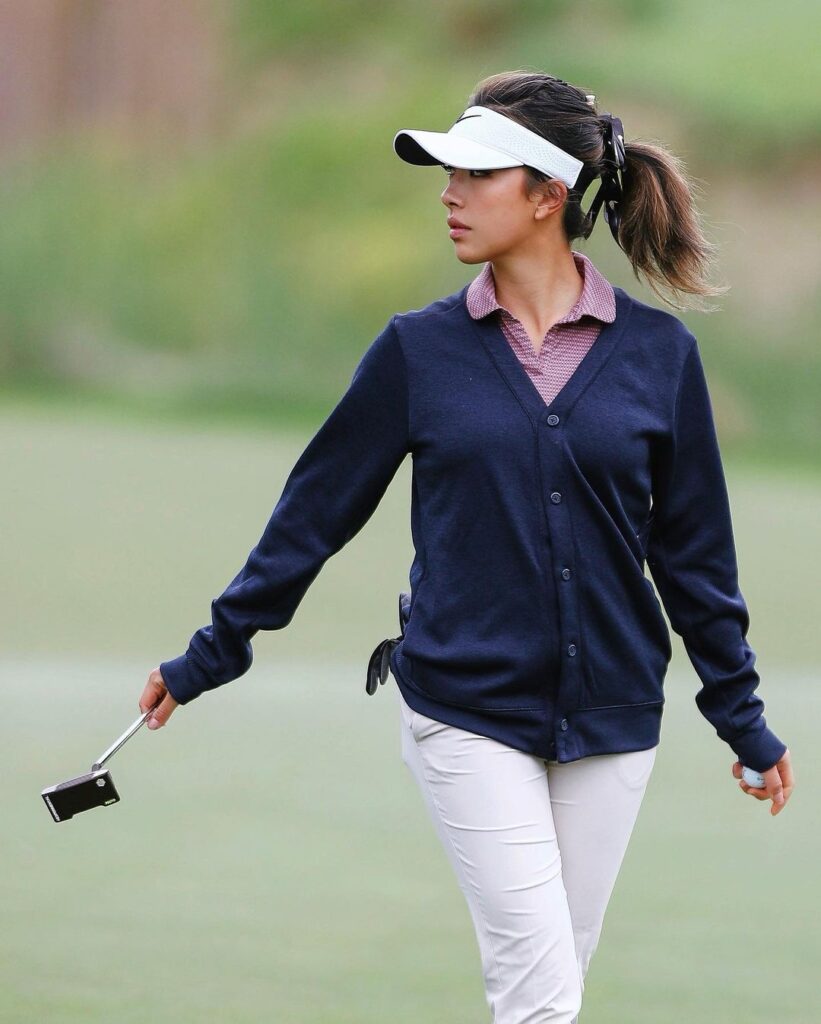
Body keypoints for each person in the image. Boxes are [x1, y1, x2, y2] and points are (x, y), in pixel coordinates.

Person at [139, 70, 795, 1023]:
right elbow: (312, 516)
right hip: (463, 707)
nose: (449, 194)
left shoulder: (660, 358)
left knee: (553, 985)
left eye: (476, 174)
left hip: (614, 717)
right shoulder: (418, 352)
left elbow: (694, 559)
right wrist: (212, 652)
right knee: (540, 996)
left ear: (546, 194)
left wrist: (741, 718)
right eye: (447, 174)